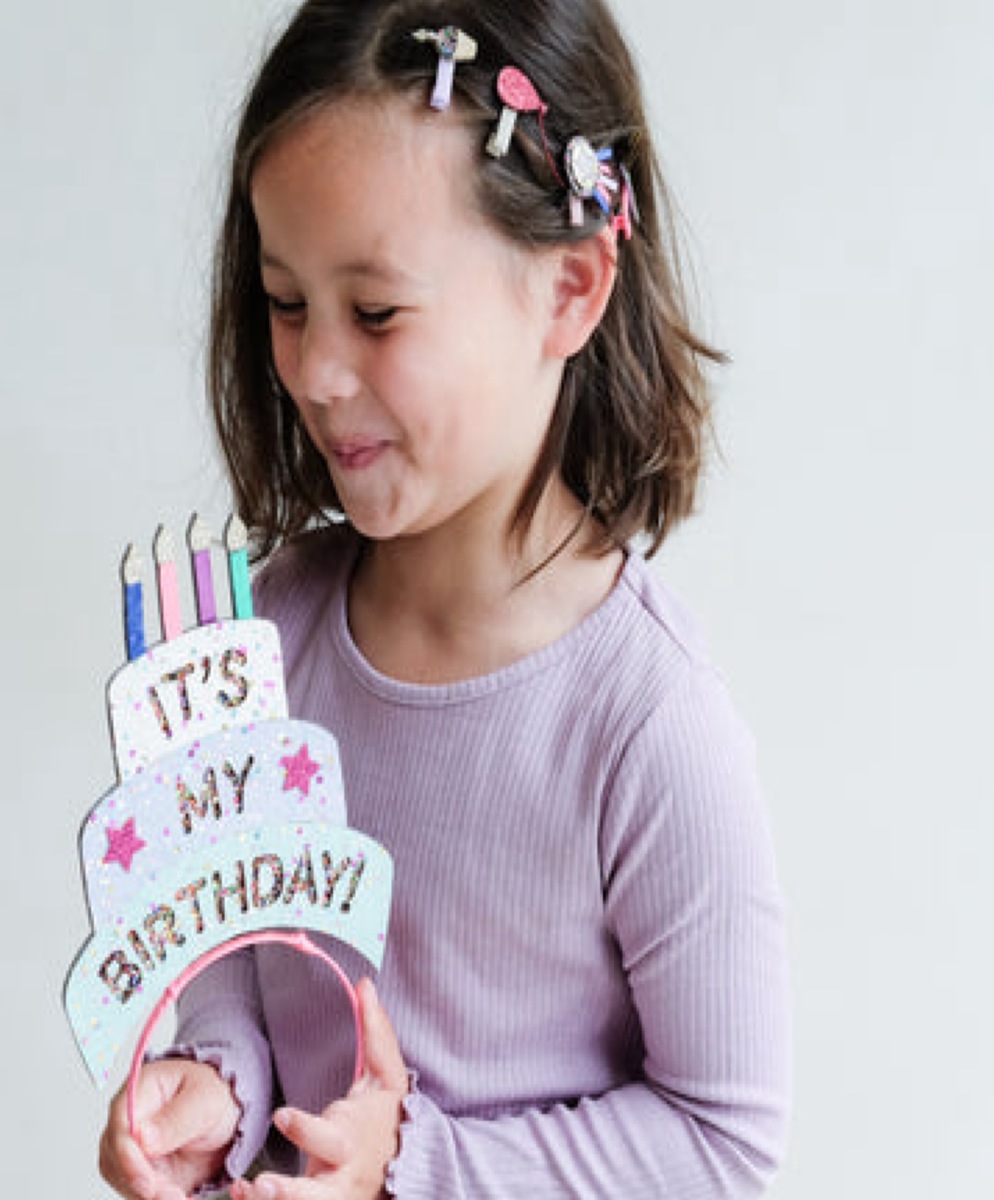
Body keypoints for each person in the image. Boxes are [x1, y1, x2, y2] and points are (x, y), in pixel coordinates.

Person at [98, 1, 791, 1197]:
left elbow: (721, 1145)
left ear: (569, 290)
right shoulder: (254, 647)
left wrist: (413, 1167)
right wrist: (218, 1089)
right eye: (285, 302)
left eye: (376, 313)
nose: (317, 372)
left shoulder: (647, 726)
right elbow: (235, 952)